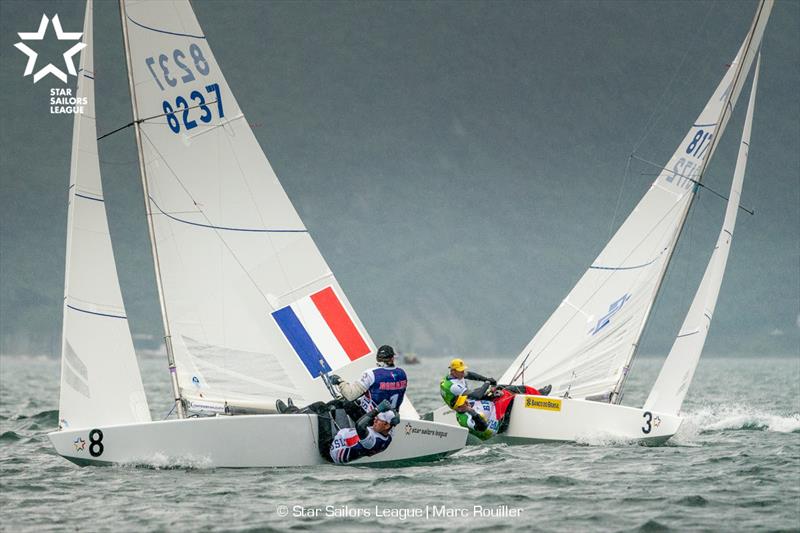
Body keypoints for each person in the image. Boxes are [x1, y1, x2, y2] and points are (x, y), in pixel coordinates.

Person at [440, 358, 551, 439]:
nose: (463, 372)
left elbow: (471, 376)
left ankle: (538, 393)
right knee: (506, 393)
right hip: (497, 427)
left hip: (478, 407)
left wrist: (486, 380)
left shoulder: (456, 376)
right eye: (460, 371)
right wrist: (487, 384)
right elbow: (477, 397)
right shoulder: (455, 389)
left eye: (463, 370)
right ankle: (536, 397)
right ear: (453, 371)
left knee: (500, 388)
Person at [327, 344, 408, 421]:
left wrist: (340, 382)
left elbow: (350, 395)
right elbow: (383, 389)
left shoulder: (371, 374)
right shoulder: (402, 373)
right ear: (392, 358)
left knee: (344, 404)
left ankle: (343, 432)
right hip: (391, 417)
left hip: (373, 419)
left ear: (377, 359)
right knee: (358, 401)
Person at [323, 400, 399, 464]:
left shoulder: (374, 441)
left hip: (331, 450)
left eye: (379, 420)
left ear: (386, 426)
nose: (375, 420)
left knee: (320, 406)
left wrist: (377, 409)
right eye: (376, 417)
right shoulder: (388, 434)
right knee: (339, 403)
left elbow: (359, 425)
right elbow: (394, 421)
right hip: (342, 436)